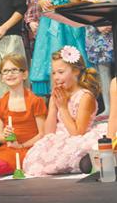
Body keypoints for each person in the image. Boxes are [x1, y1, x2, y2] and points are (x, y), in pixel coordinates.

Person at [23, 46, 105, 176]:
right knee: (35, 159)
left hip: (78, 137)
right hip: (60, 137)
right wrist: (53, 106)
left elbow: (78, 132)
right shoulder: (59, 96)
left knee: (73, 152)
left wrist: (62, 107)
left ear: (76, 71)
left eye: (61, 72)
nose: (56, 77)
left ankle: (84, 163)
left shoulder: (85, 96)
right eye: (54, 73)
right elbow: (48, 133)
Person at [0, 54, 47, 176]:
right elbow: (0, 138)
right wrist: (6, 135)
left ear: (24, 74)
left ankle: (8, 167)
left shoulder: (35, 101)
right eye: (5, 71)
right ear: (2, 77)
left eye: (14, 70)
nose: (9, 74)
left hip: (30, 147)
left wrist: (21, 145)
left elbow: (42, 134)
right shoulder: (0, 103)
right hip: (9, 148)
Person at [80, 0, 114, 116]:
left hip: (114, 21)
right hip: (97, 23)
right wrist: (98, 22)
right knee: (103, 66)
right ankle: (109, 107)